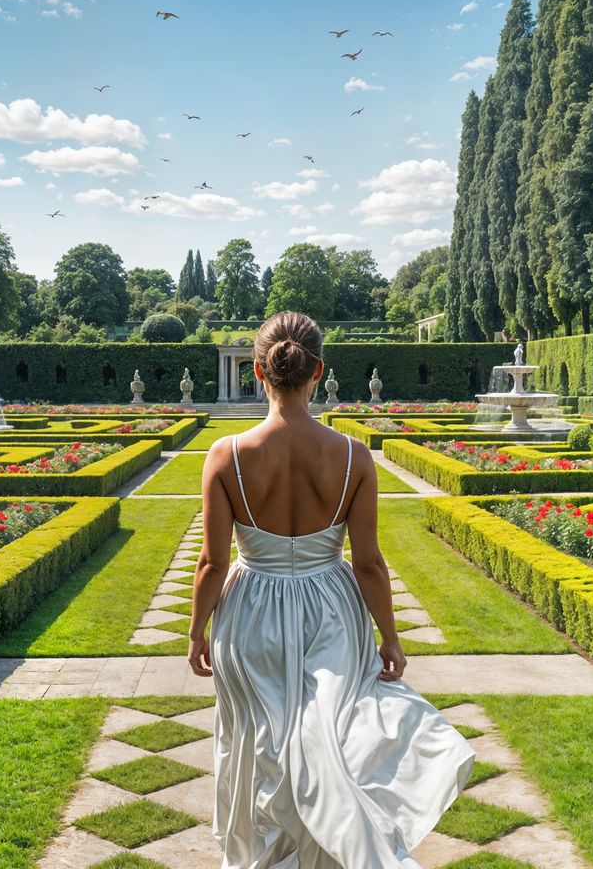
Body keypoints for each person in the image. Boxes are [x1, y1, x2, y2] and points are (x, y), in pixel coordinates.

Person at [188, 312, 474, 868]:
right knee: (330, 744)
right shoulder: (353, 456)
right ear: (319, 370)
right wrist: (391, 637)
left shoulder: (226, 455)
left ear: (258, 371)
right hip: (332, 613)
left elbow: (211, 563)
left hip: (250, 614)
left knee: (259, 748)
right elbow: (367, 564)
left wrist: (197, 630)